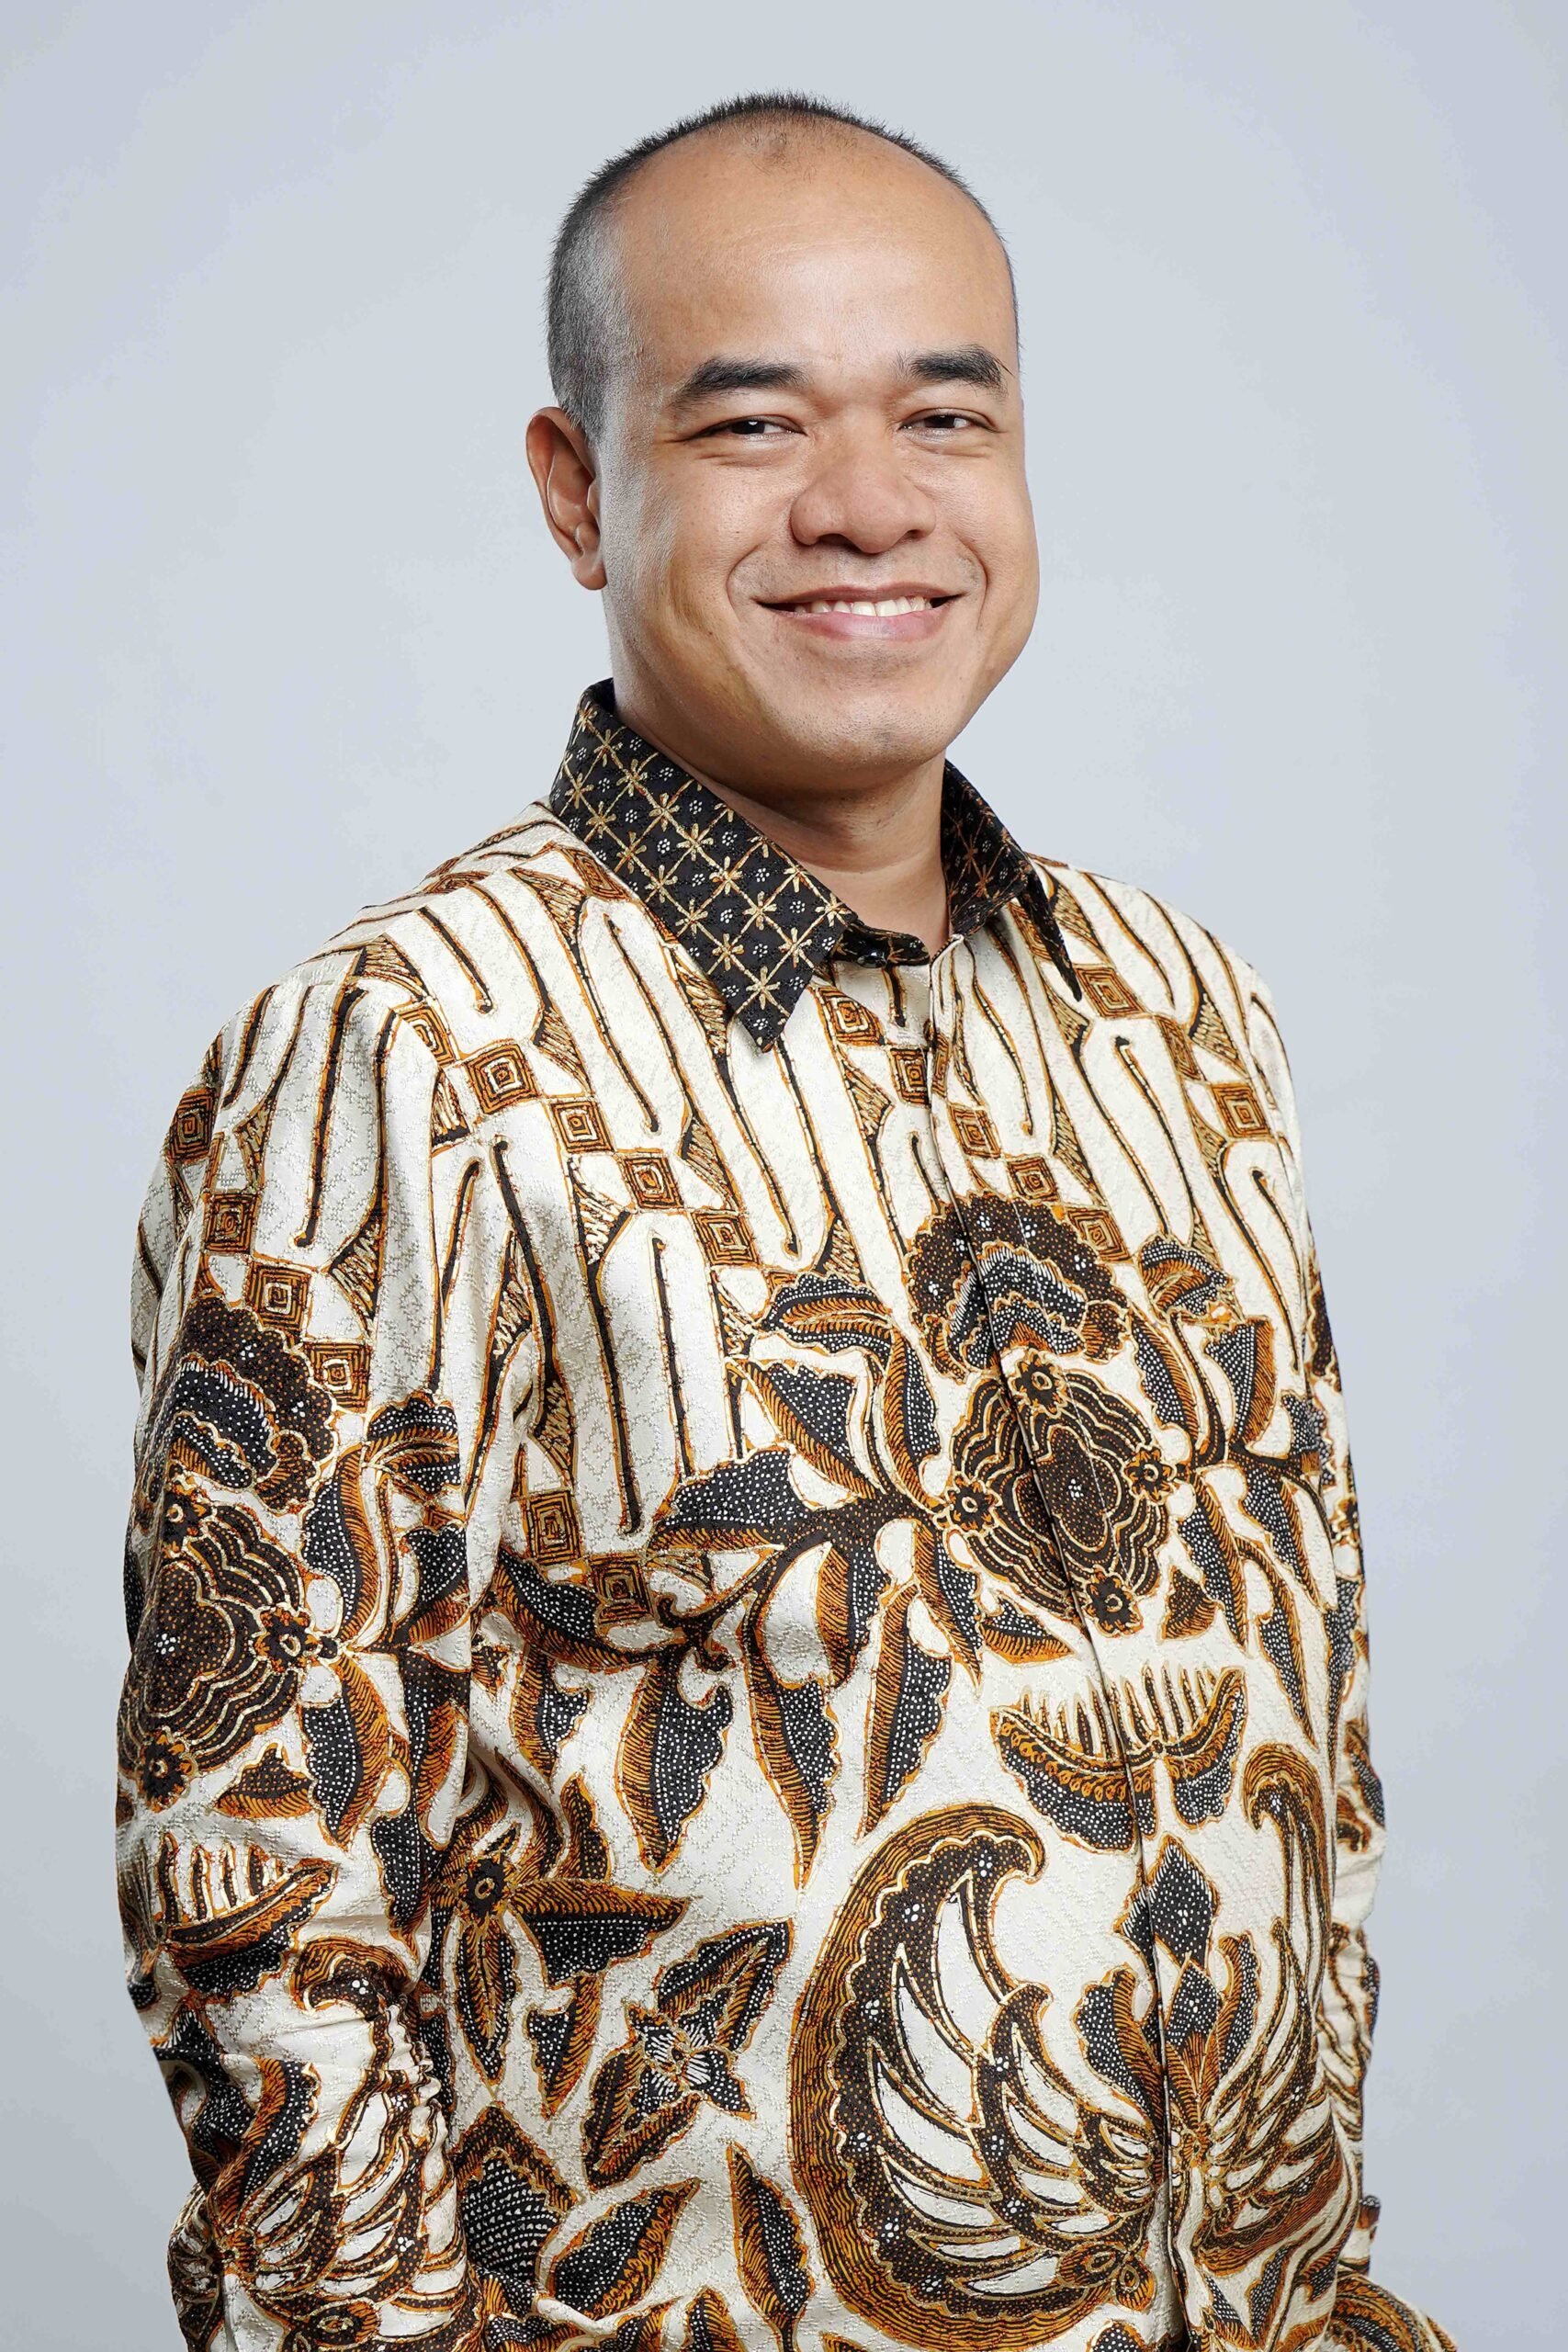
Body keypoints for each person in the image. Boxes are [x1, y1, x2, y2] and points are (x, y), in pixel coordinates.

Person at [117, 93, 1455, 2352]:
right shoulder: (398, 1053)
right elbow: (260, 1892)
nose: (869, 504)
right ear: (575, 488)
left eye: (947, 413)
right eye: (751, 423)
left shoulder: (1185, 1013)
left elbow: (1302, 1774)